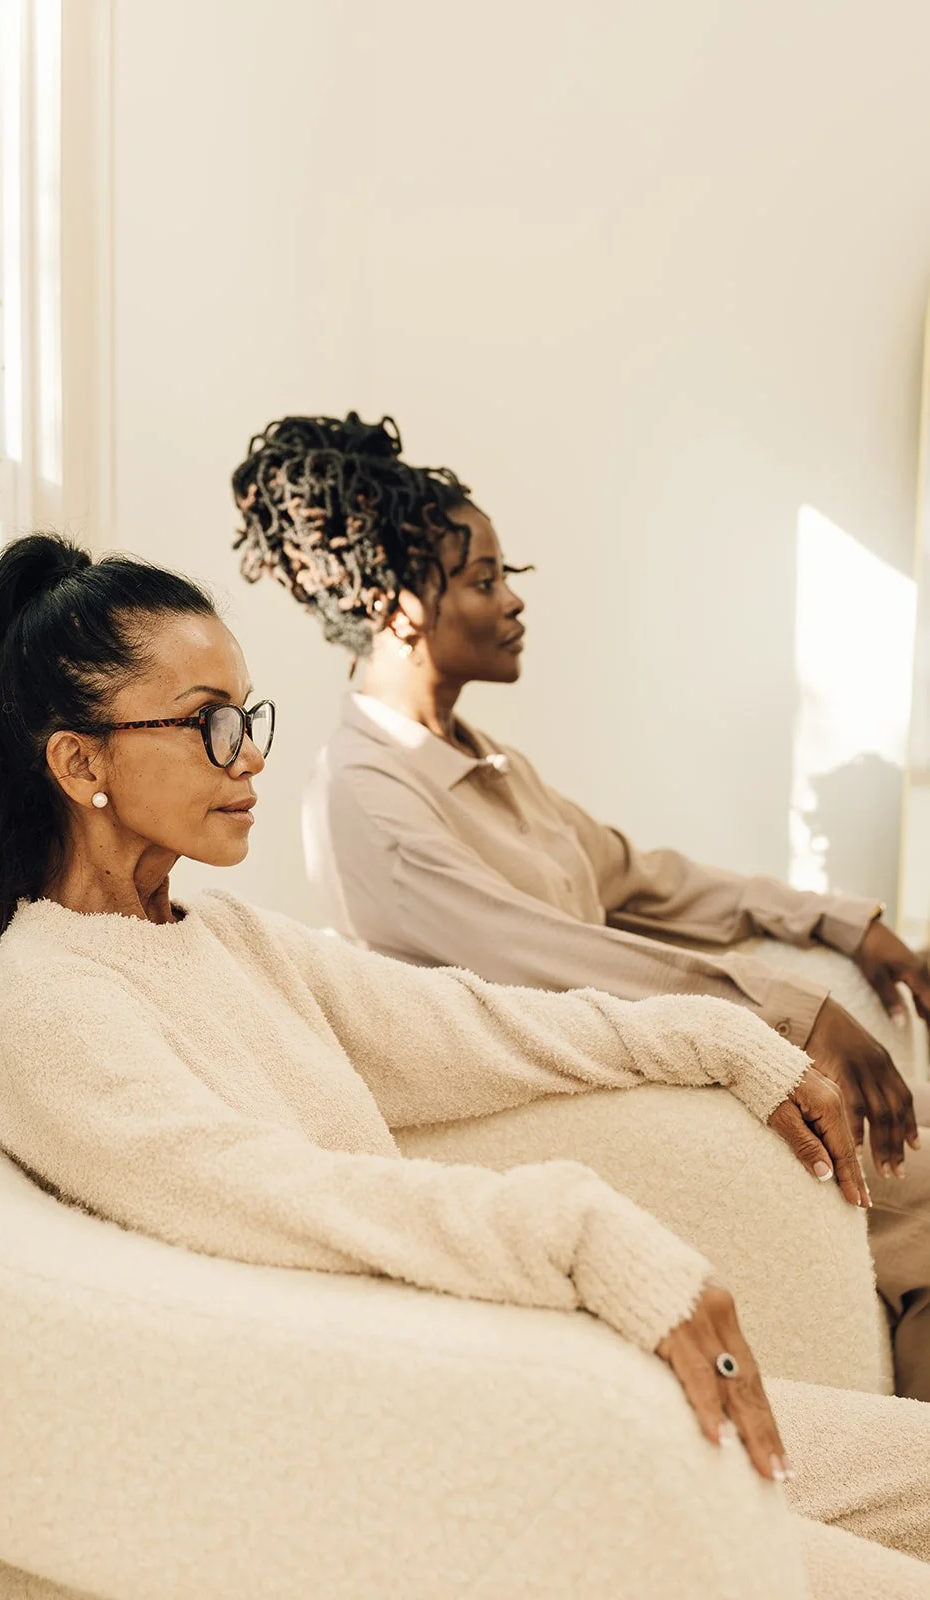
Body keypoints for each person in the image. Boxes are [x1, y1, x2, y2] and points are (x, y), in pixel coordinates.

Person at [0, 533, 930, 1591]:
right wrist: (587, 1236)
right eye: (208, 723)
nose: (250, 754)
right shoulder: (44, 1009)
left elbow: (479, 1020)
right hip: (429, 1453)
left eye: (248, 715)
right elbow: (282, 1198)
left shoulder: (222, 935)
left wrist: (730, 1042)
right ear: (79, 761)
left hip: (532, 1387)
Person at [231, 412, 930, 1401]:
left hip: (623, 1064)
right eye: (483, 580)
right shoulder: (369, 799)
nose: (513, 601)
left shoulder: (483, 757)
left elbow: (639, 878)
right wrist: (792, 1012)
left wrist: (836, 921)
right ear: (396, 606)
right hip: (553, 1111)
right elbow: (560, 960)